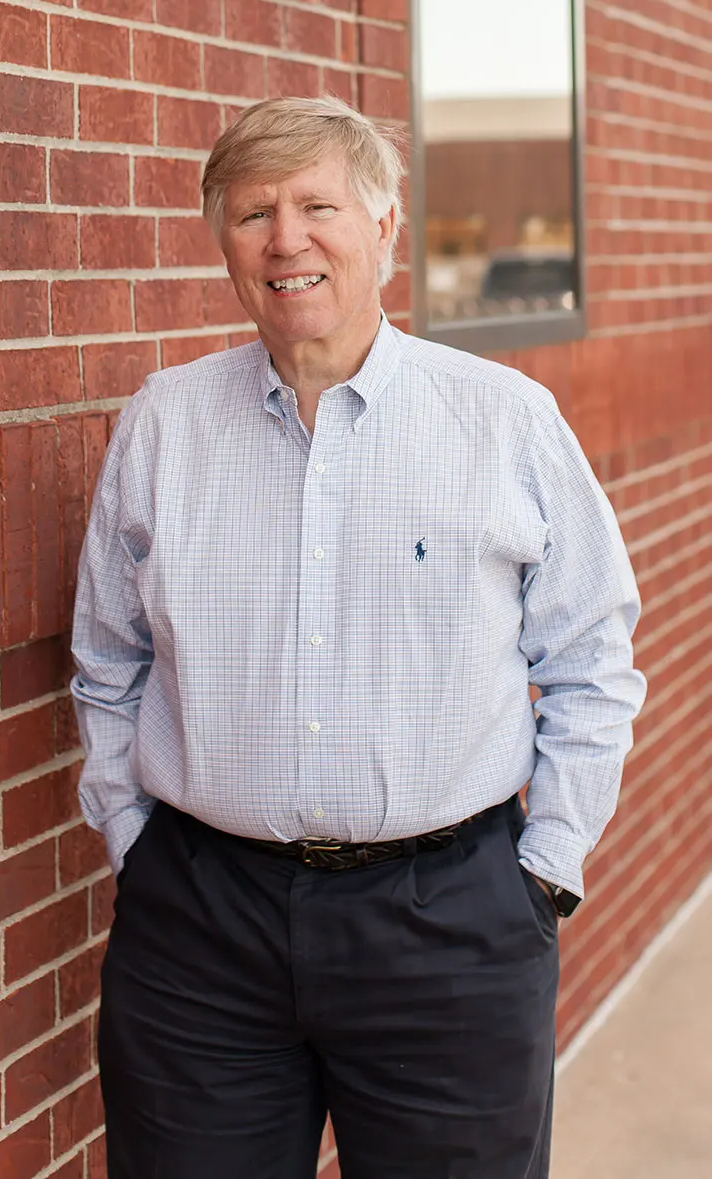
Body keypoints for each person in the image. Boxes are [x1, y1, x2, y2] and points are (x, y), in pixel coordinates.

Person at [71, 96, 647, 1179]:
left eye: (318, 206)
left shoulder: (503, 419)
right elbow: (108, 660)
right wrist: (131, 842)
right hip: (200, 926)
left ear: (384, 228)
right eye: (253, 215)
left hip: (451, 924)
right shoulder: (164, 421)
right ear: (224, 245)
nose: (286, 240)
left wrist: (547, 871)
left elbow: (590, 659)